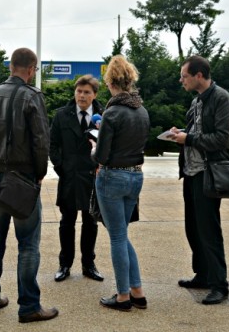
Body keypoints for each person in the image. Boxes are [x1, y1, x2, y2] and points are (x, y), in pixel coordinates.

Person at [0, 48, 58, 323]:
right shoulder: (32, 96)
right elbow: (41, 141)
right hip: (22, 177)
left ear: (11, 66)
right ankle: (29, 306)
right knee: (28, 244)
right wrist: (39, 173)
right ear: (32, 69)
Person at [169, 55, 229, 305]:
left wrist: (189, 139)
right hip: (192, 172)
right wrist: (180, 134)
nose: (181, 80)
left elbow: (223, 139)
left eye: (184, 76)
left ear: (199, 75)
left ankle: (220, 285)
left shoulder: (221, 98)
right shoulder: (197, 100)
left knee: (209, 230)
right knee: (193, 227)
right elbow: (196, 133)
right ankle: (203, 274)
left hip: (209, 173)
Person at [90, 55, 150, 312]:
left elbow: (101, 156)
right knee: (122, 234)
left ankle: (123, 296)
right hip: (136, 175)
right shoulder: (141, 110)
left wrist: (93, 146)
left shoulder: (112, 111)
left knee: (116, 237)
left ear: (110, 82)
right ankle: (137, 291)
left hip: (112, 176)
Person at [50, 75, 104, 282]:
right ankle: (65, 264)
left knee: (91, 222)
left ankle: (88, 265)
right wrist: (60, 167)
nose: (82, 96)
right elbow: (52, 144)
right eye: (79, 91)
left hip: (93, 176)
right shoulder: (62, 115)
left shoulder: (104, 116)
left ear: (94, 95)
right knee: (67, 222)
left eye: (87, 92)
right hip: (69, 176)